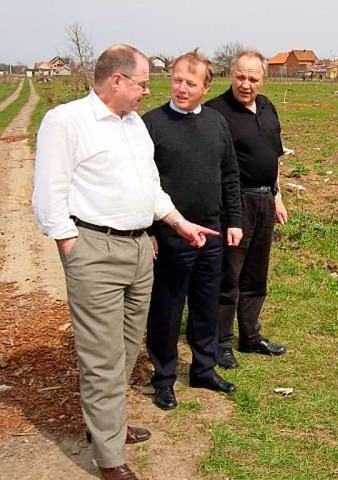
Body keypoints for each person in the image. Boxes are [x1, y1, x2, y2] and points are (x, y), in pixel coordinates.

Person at [32, 45, 217, 480]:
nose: (146, 92)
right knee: (101, 357)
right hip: (94, 250)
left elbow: (150, 189)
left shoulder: (133, 125)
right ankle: (109, 456)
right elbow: (49, 192)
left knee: (127, 348)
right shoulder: (66, 122)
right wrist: (70, 247)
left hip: (139, 251)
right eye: (142, 83)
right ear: (116, 80)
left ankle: (107, 426)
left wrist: (178, 222)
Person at [143, 50, 242, 411]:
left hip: (212, 233)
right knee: (167, 308)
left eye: (191, 83)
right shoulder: (151, 124)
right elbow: (142, 183)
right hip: (171, 235)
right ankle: (164, 378)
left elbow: (230, 175)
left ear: (205, 87)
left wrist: (234, 221)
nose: (182, 88)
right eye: (177, 80)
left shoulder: (217, 123)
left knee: (205, 304)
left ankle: (203, 368)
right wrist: (150, 230)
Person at [205, 50, 288, 370]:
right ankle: (220, 343)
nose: (246, 83)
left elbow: (274, 157)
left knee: (256, 274)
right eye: (241, 76)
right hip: (235, 203)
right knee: (230, 276)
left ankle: (250, 336)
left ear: (263, 80)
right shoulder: (216, 112)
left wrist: (277, 196)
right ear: (231, 74)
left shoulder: (267, 107)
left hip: (265, 201)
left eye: (253, 78)